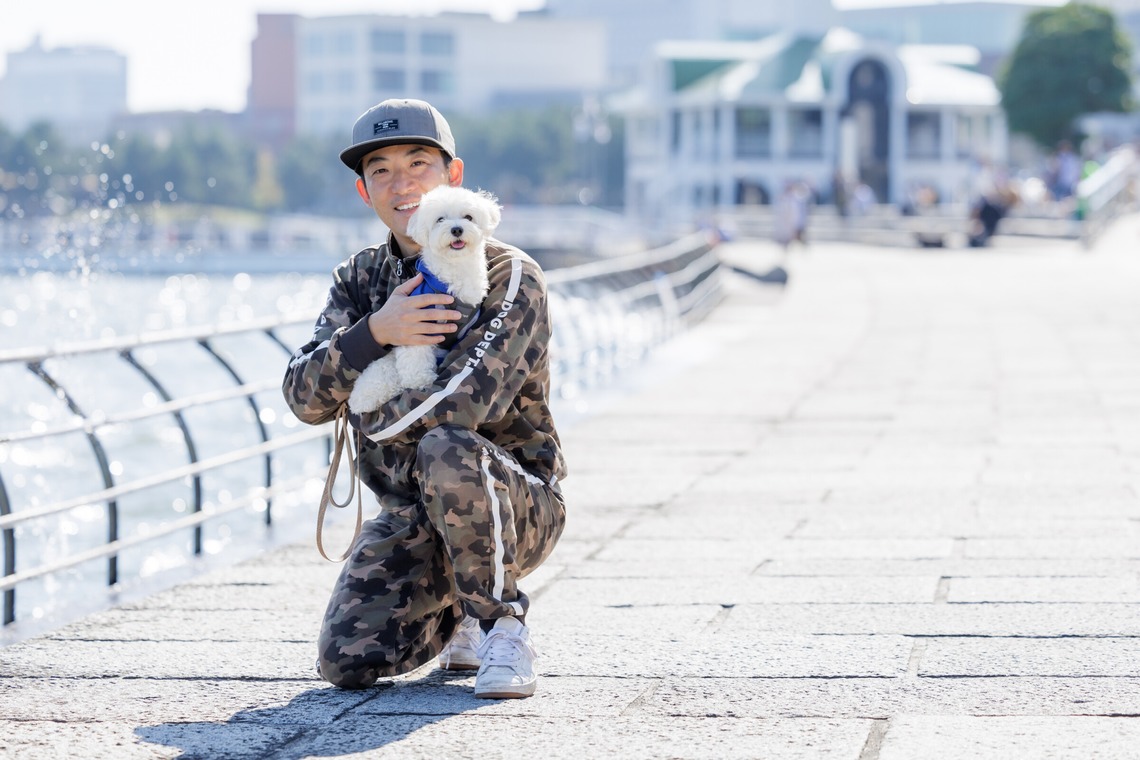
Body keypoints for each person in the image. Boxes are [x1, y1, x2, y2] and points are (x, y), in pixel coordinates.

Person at [281, 98, 567, 699]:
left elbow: (463, 407)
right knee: (346, 661)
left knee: (446, 445)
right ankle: (459, 607)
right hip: (412, 516)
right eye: (380, 169)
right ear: (365, 192)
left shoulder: (509, 276)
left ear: (453, 176)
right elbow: (303, 396)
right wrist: (375, 332)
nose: (401, 182)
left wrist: (362, 411)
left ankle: (501, 625)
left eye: (418, 163)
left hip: (514, 507)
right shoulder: (359, 280)